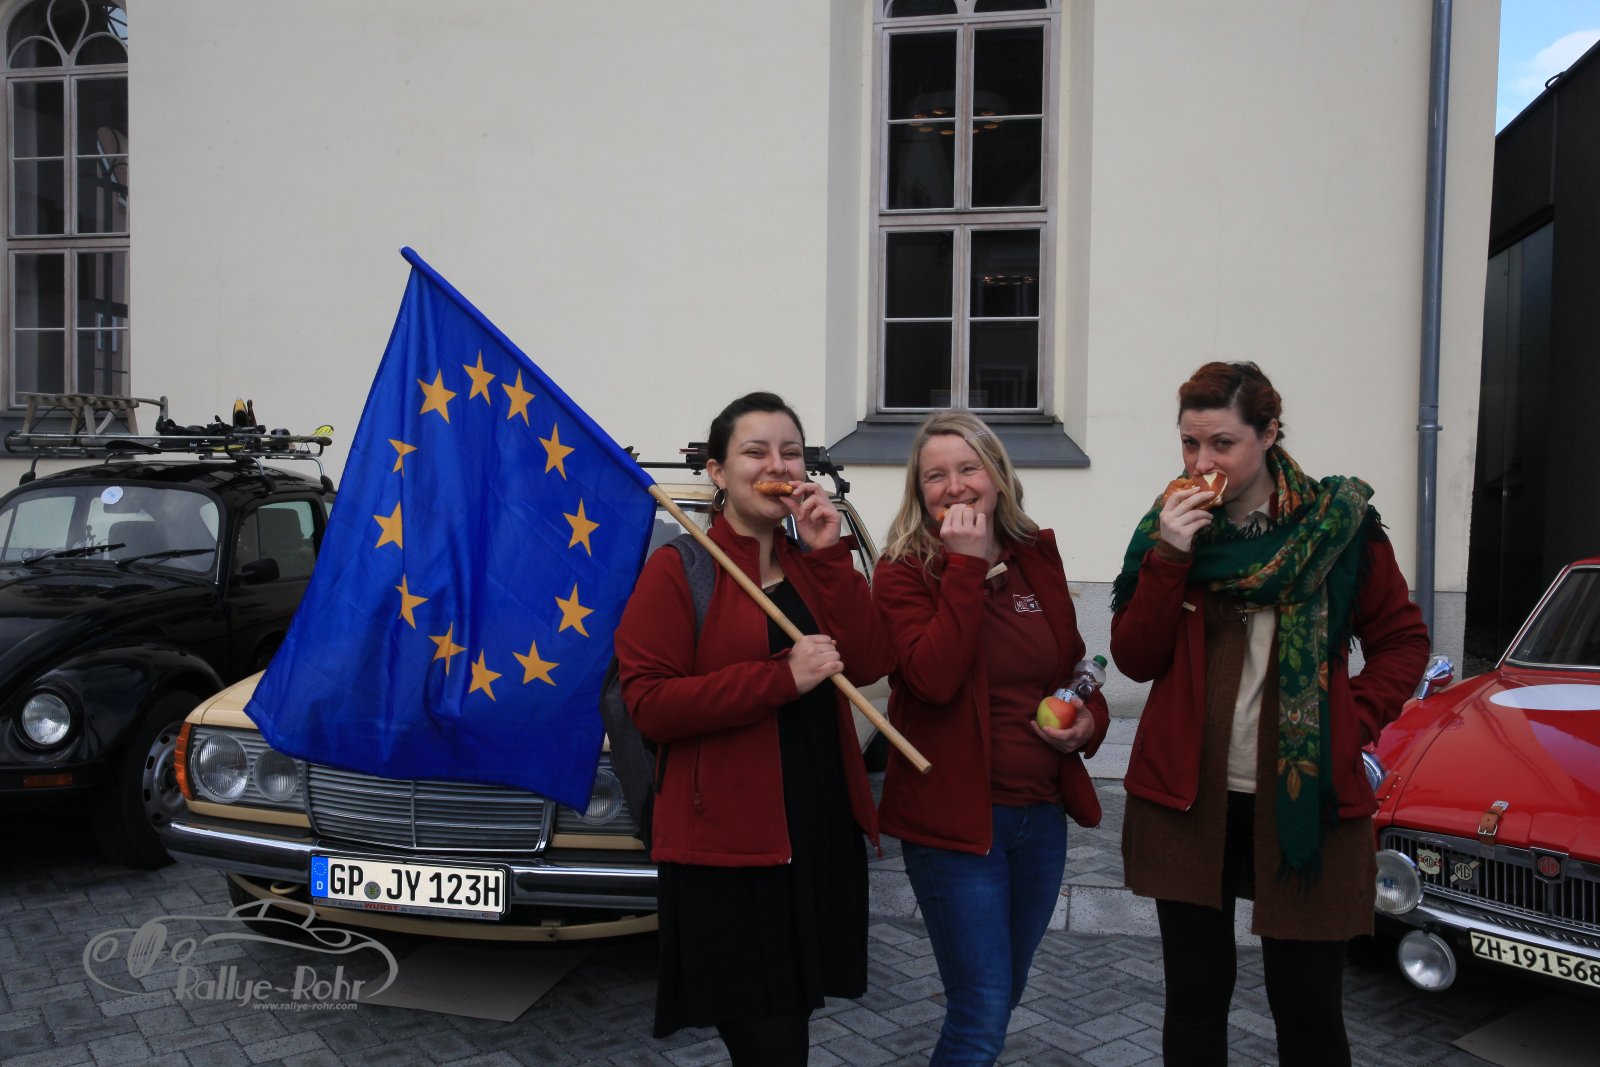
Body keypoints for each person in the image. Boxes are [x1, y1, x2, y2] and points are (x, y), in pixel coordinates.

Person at [1110, 361, 1430, 1067]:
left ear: (1269, 433)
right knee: (1195, 996)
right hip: (1188, 797)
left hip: (1306, 792)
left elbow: (1403, 641)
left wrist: (1351, 720)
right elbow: (1134, 656)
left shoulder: (1338, 526)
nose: (1201, 463)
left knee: (1308, 1008)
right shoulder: (1167, 527)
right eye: (1190, 443)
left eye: (1222, 443)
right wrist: (1169, 557)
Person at [613, 392, 892, 1067]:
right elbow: (649, 703)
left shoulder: (810, 563)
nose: (777, 465)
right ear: (717, 471)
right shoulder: (680, 569)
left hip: (816, 830)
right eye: (755, 451)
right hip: (730, 850)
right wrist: (779, 678)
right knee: (771, 1042)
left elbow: (871, 662)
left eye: (790, 453)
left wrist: (831, 554)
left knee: (790, 1022)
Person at [873, 410, 1109, 1067]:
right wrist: (965, 568)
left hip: (1040, 818)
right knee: (979, 1013)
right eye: (935, 476)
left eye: (968, 468)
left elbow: (1072, 668)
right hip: (955, 826)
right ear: (919, 491)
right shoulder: (903, 571)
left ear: (998, 476)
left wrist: (1089, 723)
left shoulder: (1034, 557)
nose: (954, 486)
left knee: (1002, 996)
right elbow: (932, 679)